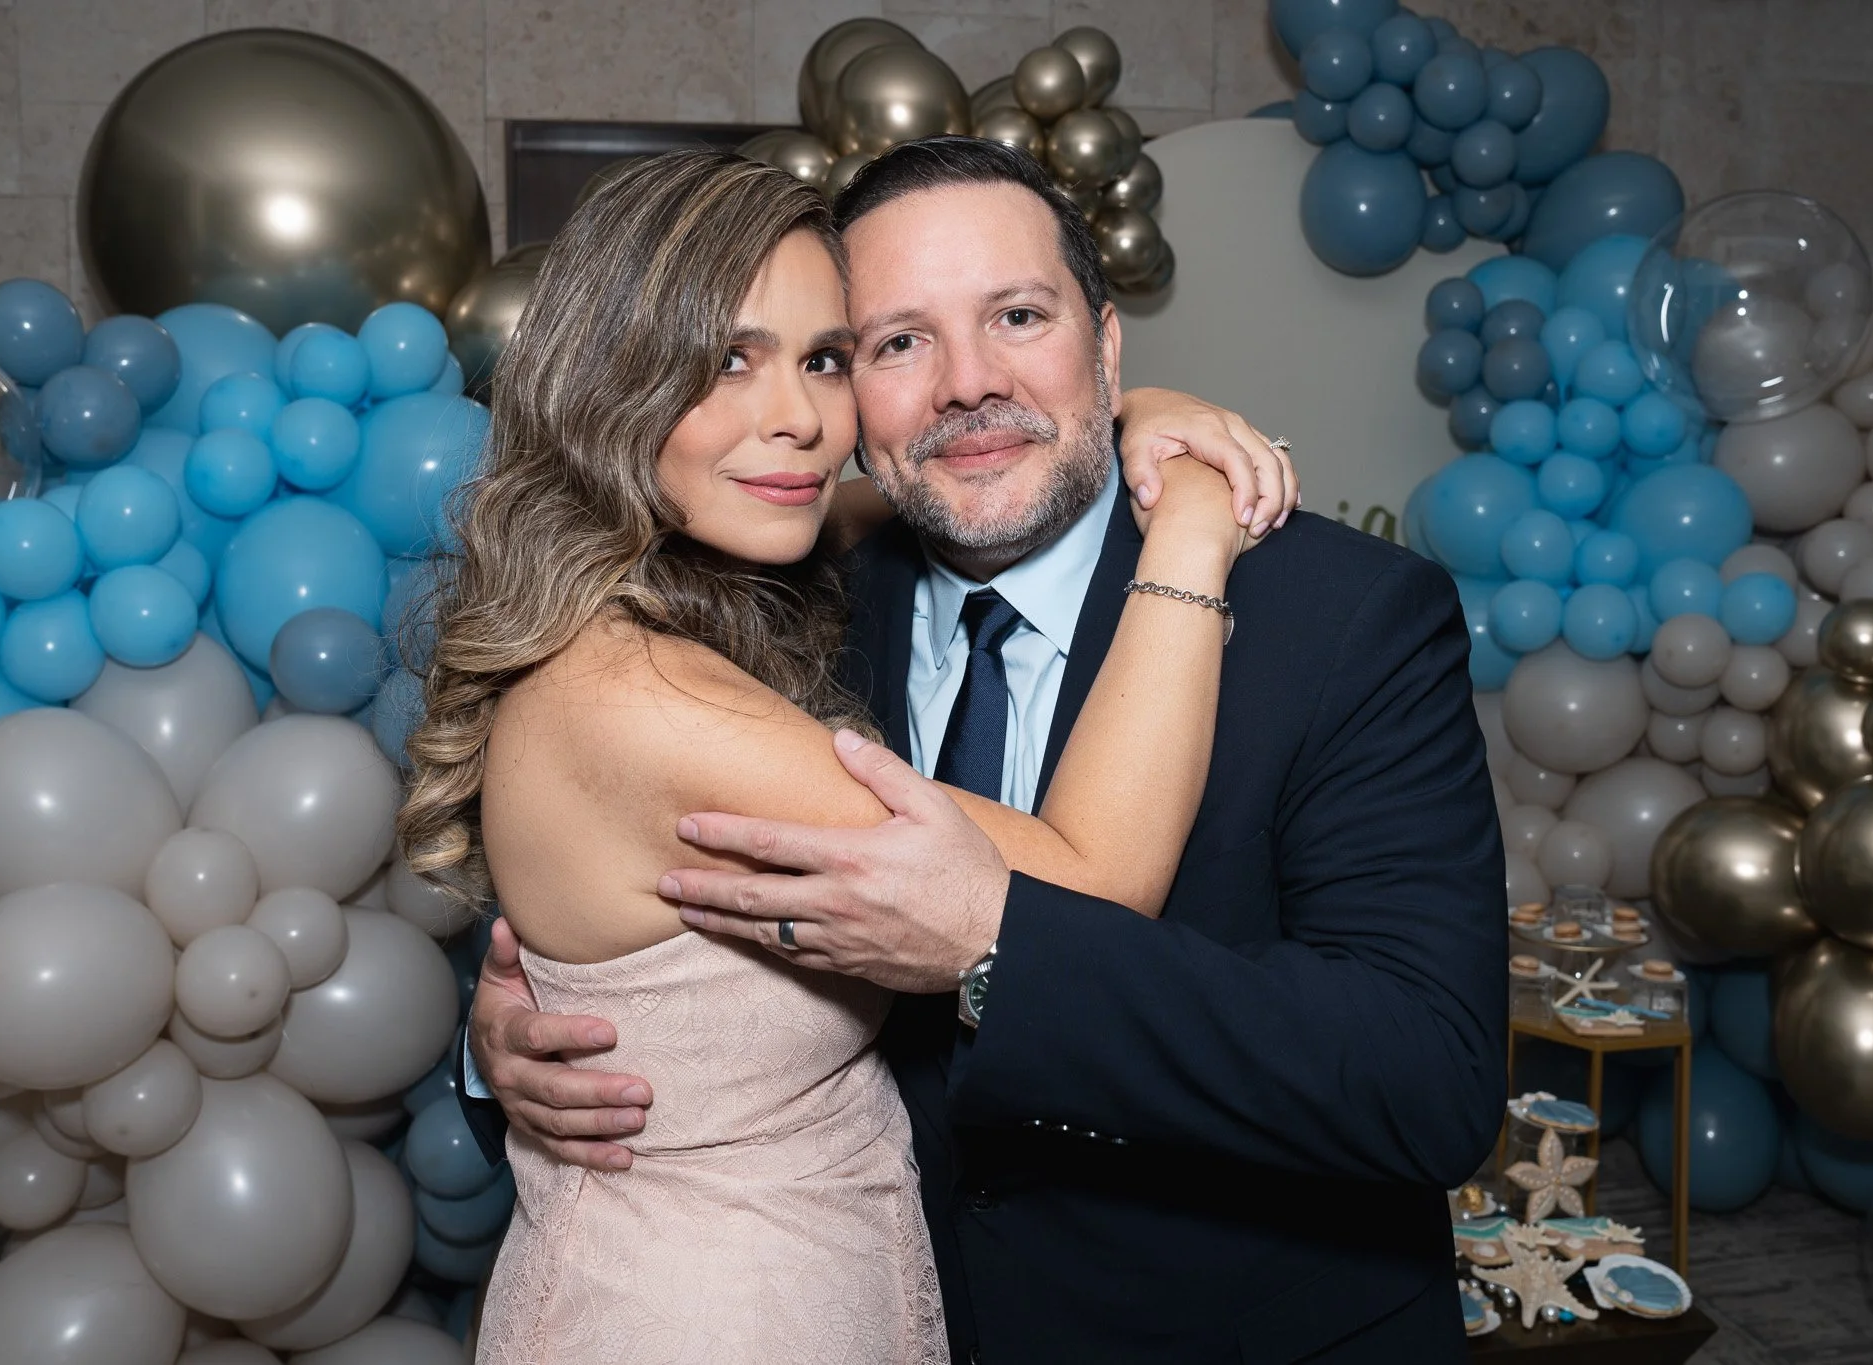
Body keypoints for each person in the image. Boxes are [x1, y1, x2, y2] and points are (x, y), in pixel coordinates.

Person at [465, 136, 1510, 1363]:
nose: (965, 382)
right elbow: (605, 888)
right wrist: (511, 1048)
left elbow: (1427, 1082)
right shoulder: (794, 593)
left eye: (1017, 315)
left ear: (1108, 346)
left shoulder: (1343, 618)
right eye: (896, 342)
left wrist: (992, 947)